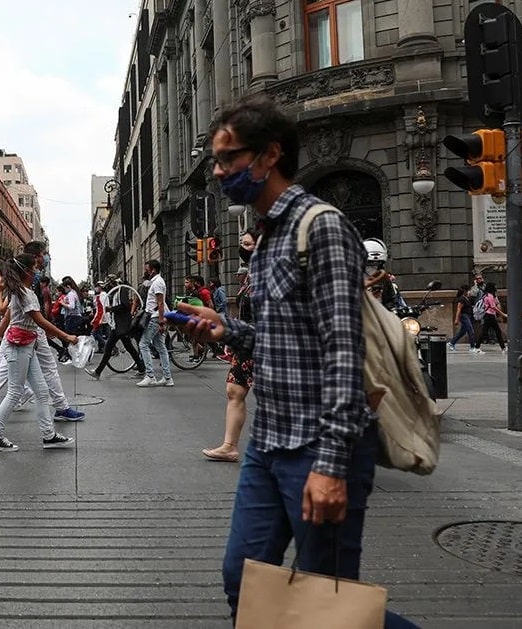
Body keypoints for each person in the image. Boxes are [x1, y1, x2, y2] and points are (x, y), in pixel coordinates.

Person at [177, 95, 417, 627]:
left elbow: (343, 352)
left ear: (269, 156)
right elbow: (282, 343)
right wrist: (228, 331)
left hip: (320, 445)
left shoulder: (322, 227)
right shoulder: (263, 238)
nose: (218, 173)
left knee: (325, 606)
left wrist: (331, 465)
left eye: (228, 158)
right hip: (269, 441)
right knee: (242, 577)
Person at [0, 241, 86, 423]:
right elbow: (12, 312)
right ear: (36, 257)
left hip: (25, 332)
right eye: (43, 254)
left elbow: (12, 311)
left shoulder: (27, 281)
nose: (45, 258)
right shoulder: (24, 282)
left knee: (23, 376)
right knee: (29, 377)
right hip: (25, 332)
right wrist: (63, 335)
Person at [0, 254, 77, 452]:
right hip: (18, 347)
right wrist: (66, 336)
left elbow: (8, 316)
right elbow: (39, 320)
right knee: (14, 392)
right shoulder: (24, 294)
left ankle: (49, 435)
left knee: (42, 392)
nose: (37, 272)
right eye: (34, 268)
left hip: (26, 346)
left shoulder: (20, 291)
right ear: (26, 271)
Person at [202, 258, 255, 463]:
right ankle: (229, 446)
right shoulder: (251, 280)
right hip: (248, 338)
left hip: (268, 342)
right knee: (234, 389)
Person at [86, 279, 146, 380]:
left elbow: (125, 305)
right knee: (127, 347)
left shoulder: (122, 290)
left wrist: (111, 309)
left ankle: (98, 371)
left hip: (121, 324)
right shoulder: (116, 293)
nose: (108, 286)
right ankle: (141, 368)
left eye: (110, 283)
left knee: (110, 347)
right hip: (118, 324)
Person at [137, 259, 174, 387]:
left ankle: (150, 376)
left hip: (155, 317)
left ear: (153, 270)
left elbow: (160, 303)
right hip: (156, 317)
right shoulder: (156, 282)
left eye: (147, 269)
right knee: (161, 347)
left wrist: (161, 321)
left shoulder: (158, 283)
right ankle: (167, 377)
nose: (146, 272)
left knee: (143, 344)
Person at [473, 282, 507, 352]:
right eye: (495, 286)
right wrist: (503, 314)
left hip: (488, 315)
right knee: (496, 331)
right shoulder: (490, 296)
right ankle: (503, 347)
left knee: (486, 331)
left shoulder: (486, 295)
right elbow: (493, 306)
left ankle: (477, 347)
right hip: (490, 315)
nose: (496, 288)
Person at [448, 285, 480, 353]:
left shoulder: (467, 298)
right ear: (465, 291)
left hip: (468, 316)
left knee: (462, 332)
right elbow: (459, 309)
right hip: (464, 316)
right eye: (468, 290)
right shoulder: (461, 299)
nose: (469, 292)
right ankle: (472, 347)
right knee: (471, 331)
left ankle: (452, 343)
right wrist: (456, 319)